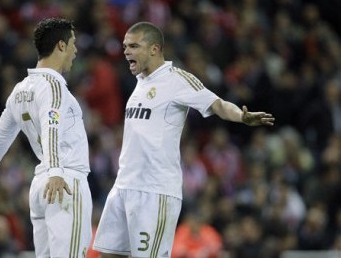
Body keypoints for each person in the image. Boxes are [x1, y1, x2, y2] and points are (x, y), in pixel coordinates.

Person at [92, 22, 275, 257]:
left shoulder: (176, 79)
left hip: (155, 191)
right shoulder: (140, 84)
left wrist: (241, 115)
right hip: (123, 186)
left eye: (134, 46)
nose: (126, 51)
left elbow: (216, 103)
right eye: (125, 46)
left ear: (154, 49)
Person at [0, 18, 93, 258]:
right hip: (64, 182)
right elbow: (52, 126)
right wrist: (57, 171)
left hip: (41, 186)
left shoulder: (20, 89)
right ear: (61, 46)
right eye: (73, 43)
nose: (76, 50)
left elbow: (0, 136)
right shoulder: (54, 86)